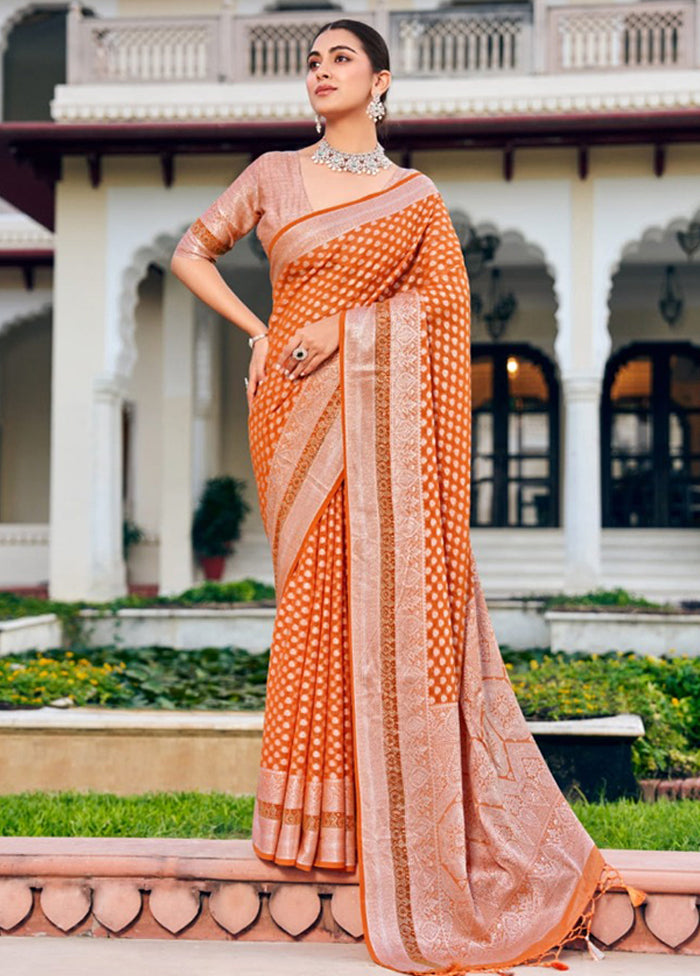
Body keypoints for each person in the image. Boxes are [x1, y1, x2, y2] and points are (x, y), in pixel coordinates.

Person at [171, 19, 645, 976]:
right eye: (311, 60)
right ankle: (307, 825)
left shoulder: (412, 198)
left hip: (368, 409)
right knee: (311, 604)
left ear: (381, 82)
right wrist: (260, 333)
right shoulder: (271, 173)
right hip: (293, 414)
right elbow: (192, 251)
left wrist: (345, 333)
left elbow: (443, 314)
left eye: (339, 59)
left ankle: (378, 820)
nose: (320, 72)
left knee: (374, 611)